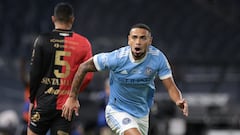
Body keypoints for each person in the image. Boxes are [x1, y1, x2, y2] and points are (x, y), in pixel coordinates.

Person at [62, 23, 188, 135]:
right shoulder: (117, 58)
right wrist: (72, 97)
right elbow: (83, 67)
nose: (138, 42)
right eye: (134, 37)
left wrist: (178, 100)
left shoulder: (158, 58)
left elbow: (171, 87)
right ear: (129, 40)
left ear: (150, 41)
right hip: (117, 111)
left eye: (142, 38)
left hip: (142, 115)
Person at [28, 2, 93, 135]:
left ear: (53, 19)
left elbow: (34, 74)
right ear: (72, 19)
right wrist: (73, 94)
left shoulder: (42, 40)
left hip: (43, 103)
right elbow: (88, 76)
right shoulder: (84, 43)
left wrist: (31, 100)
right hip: (66, 106)